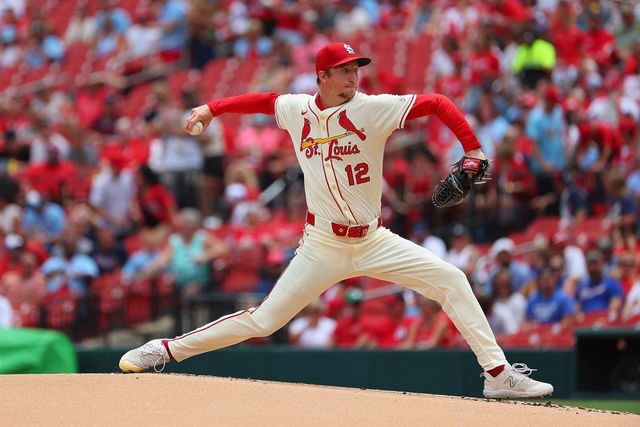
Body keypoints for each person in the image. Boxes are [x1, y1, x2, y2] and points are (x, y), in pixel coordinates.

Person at [119, 42, 553, 398]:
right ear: (322, 77)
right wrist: (211, 108)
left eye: (356, 69)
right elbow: (262, 101)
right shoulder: (297, 109)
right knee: (265, 320)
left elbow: (437, 103)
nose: (353, 76)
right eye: (344, 70)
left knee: (452, 279)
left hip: (374, 240)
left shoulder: (374, 109)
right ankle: (164, 350)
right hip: (322, 244)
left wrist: (472, 149)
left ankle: (498, 375)